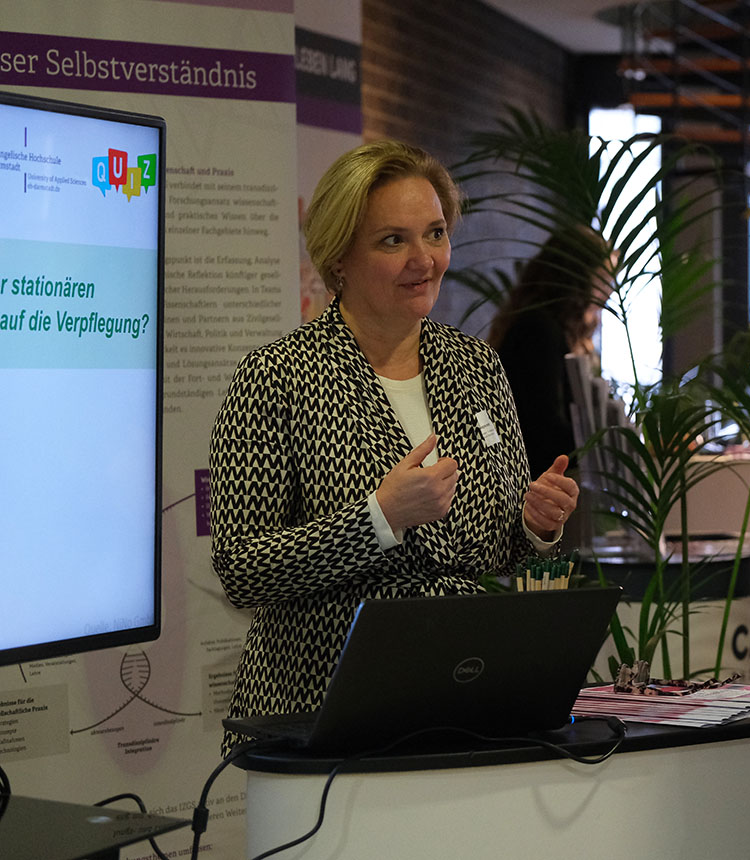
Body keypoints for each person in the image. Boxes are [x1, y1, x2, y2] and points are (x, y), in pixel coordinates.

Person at [209, 140, 579, 753]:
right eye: (392, 241)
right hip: (319, 714)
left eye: (435, 233)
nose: (423, 259)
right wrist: (378, 519)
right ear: (339, 258)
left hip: (461, 703)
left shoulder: (477, 367)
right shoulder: (277, 378)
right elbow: (242, 571)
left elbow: (495, 554)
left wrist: (534, 525)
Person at [489, 227, 611, 480]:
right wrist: (603, 443)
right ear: (578, 277)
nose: (608, 291)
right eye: (603, 278)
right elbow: (543, 430)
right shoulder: (538, 330)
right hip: (534, 484)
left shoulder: (544, 326)